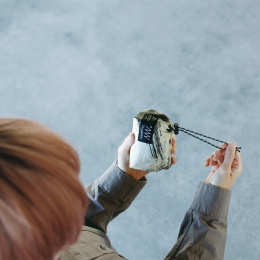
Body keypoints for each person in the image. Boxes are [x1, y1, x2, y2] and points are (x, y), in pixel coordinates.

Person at [0, 119, 243, 260]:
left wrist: (127, 174)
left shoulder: (27, 235)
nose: (76, 190)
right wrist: (214, 198)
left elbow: (79, 221)